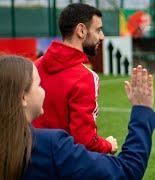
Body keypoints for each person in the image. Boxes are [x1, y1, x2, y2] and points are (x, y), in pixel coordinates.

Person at [0, 55, 155, 179]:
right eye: (39, 85)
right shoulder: (50, 146)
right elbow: (126, 170)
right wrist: (142, 109)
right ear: (23, 97)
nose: (43, 91)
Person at [32, 3, 117, 154]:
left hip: (29, 165)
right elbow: (85, 141)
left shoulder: (33, 67)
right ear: (81, 30)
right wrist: (109, 145)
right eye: (98, 30)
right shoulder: (86, 77)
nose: (102, 37)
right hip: (62, 166)